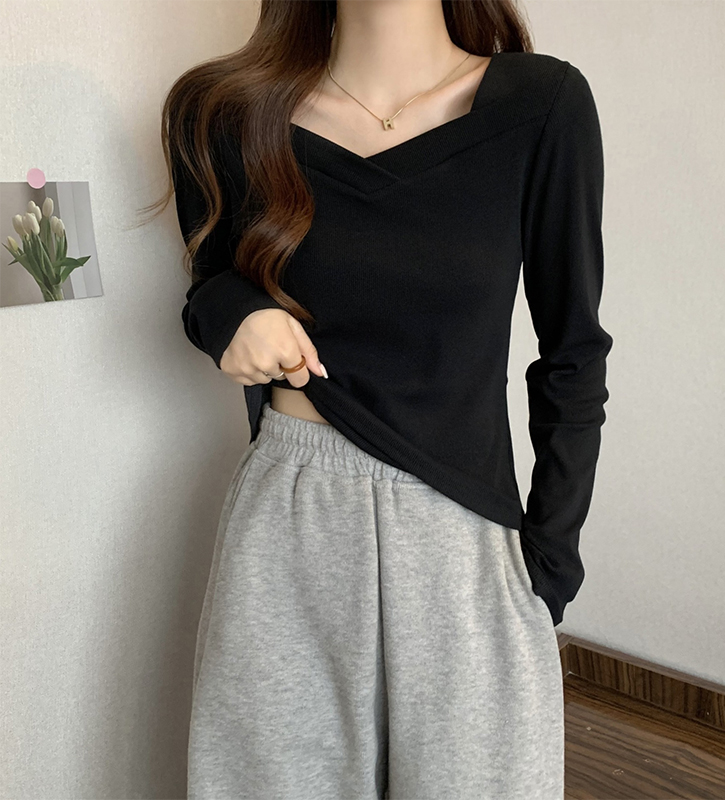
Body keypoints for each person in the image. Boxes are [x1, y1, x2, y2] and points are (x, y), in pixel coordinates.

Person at [160, 0, 613, 797]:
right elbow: (208, 288)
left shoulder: (542, 106)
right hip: (292, 527)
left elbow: (572, 353)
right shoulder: (224, 111)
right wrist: (235, 312)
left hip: (463, 533)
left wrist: (550, 566)